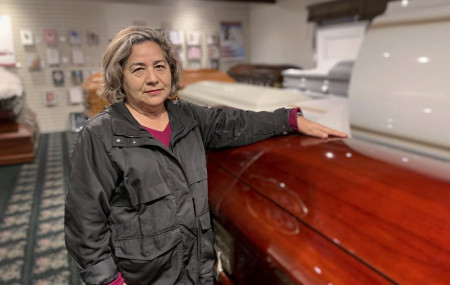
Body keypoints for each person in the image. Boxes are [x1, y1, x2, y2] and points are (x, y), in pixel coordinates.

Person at [64, 26, 347, 285]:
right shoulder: (100, 135)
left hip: (198, 272)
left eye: (160, 66)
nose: (153, 78)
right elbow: (84, 223)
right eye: (138, 69)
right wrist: (109, 282)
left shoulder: (187, 116)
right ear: (119, 76)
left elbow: (236, 123)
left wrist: (290, 120)